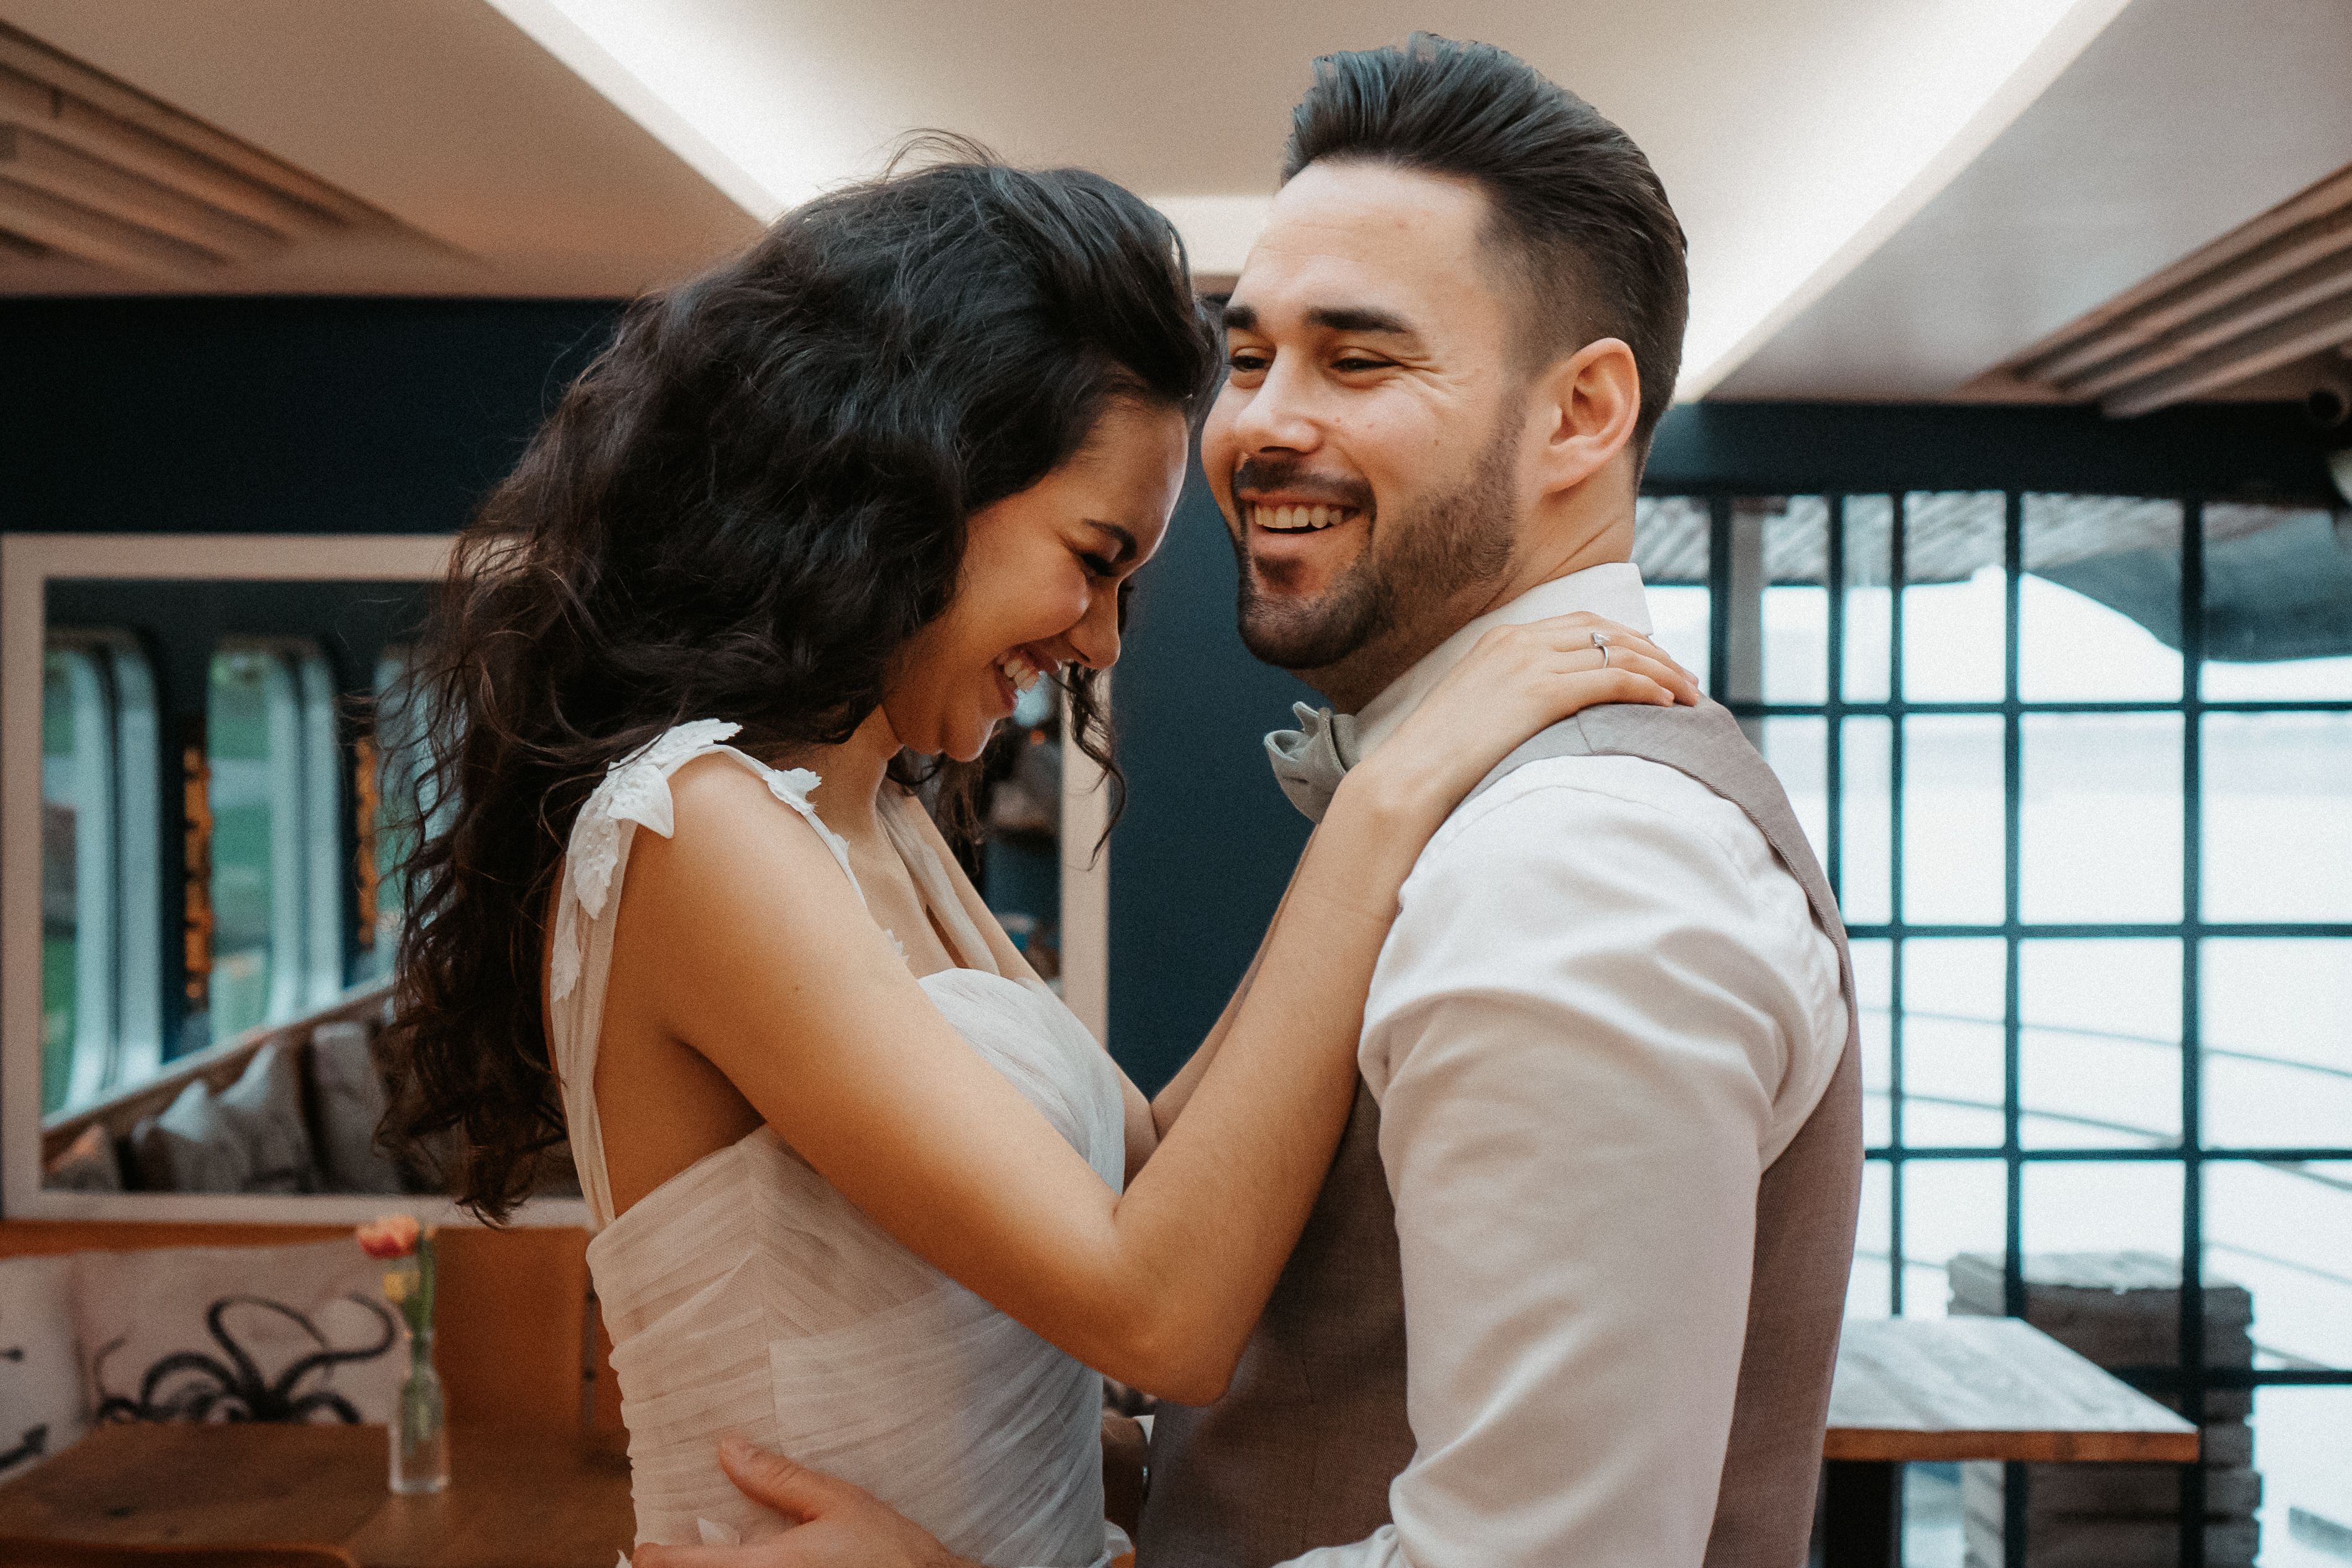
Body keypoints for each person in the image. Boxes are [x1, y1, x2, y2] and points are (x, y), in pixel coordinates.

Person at [382, 145, 1696, 1564]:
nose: (1100, 641)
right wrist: (1387, 808)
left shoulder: (880, 809)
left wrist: (1401, 786)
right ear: (906, 489)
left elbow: (1142, 1163)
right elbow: (1161, 1312)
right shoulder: (696, 827)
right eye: (1091, 558)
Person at [648, 35, 1863, 1568]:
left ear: (1579, 415)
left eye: (1356, 359)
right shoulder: (1463, 807)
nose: (1258, 426)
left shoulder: (1579, 858)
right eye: (1247, 355)